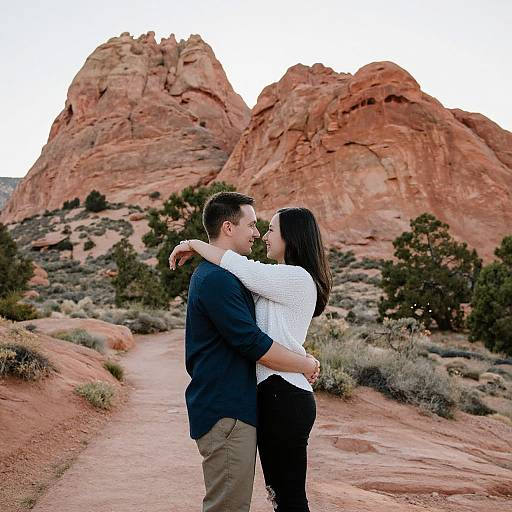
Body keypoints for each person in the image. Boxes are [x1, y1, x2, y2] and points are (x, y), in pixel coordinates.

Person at [169, 196, 331, 512]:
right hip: (270, 396)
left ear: (292, 237)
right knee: (281, 500)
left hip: (283, 396)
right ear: (229, 227)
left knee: (289, 500)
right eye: (258, 226)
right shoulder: (260, 279)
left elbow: (241, 268)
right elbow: (260, 327)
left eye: (270, 229)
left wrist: (195, 243)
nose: (262, 235)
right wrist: (304, 361)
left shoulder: (294, 277)